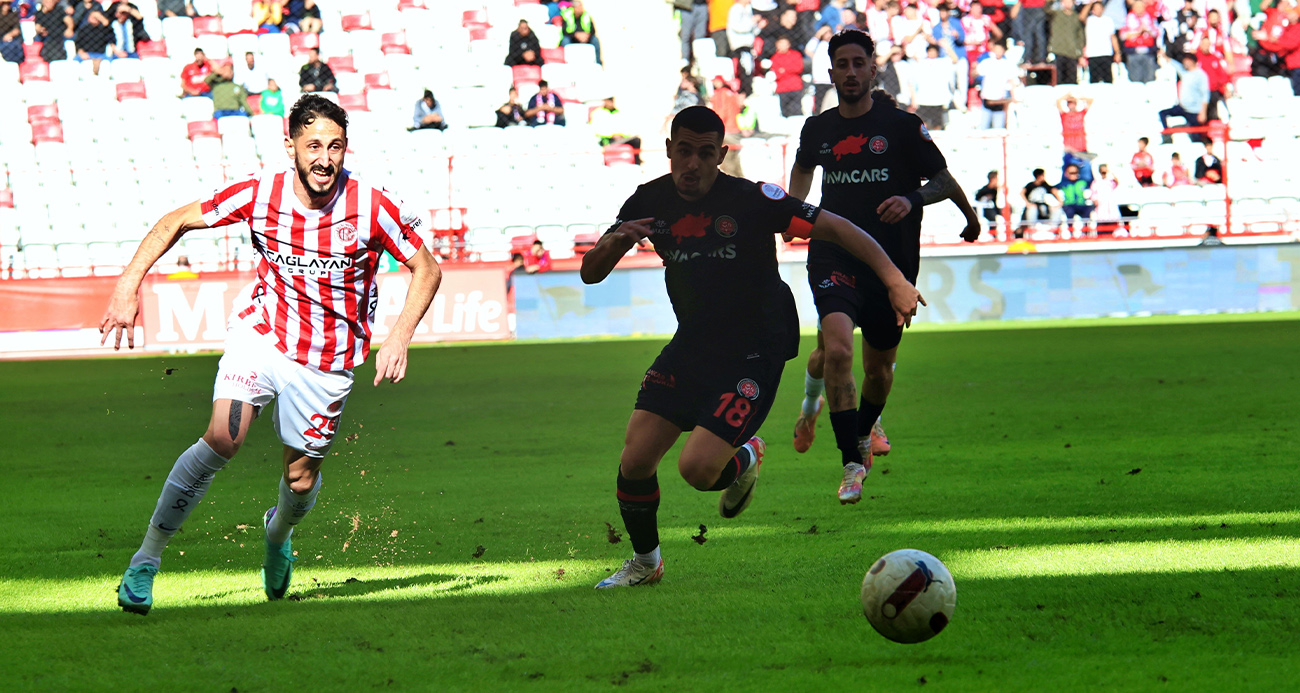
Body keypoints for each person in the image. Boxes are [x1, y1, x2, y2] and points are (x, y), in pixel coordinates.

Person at [102, 94, 442, 615]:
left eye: (334, 146)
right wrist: (128, 284)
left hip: (328, 360)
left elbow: (428, 268)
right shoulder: (262, 193)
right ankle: (146, 560)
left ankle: (278, 534)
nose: (324, 158)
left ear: (346, 148)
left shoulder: (373, 205)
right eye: (312, 146)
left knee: (299, 479)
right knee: (223, 437)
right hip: (261, 335)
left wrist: (399, 335)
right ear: (290, 146)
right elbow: (177, 220)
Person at [581, 105, 923, 588]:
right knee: (635, 458)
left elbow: (838, 228)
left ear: (721, 154)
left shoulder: (753, 199)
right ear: (669, 151)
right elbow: (591, 273)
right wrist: (614, 245)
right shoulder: (647, 200)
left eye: (705, 153)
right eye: (684, 151)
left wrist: (893, 279)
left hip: (756, 345)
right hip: (694, 341)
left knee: (697, 470)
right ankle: (645, 562)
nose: (693, 163)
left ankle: (744, 456)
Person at [787, 30, 980, 504]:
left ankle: (862, 429)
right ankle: (851, 462)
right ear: (830, 72)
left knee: (879, 370)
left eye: (859, 63)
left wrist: (917, 199)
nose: (850, 72)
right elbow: (803, 172)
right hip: (833, 254)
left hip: (891, 264)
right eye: (842, 64)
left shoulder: (901, 126)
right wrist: (790, 213)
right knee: (835, 351)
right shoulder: (817, 129)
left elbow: (942, 179)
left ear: (874, 69)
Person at [1158, 53, 1209, 143]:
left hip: (1194, 111)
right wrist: (1165, 56)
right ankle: (1167, 137)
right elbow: (1176, 65)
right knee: (1162, 113)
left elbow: (1205, 94)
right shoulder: (1185, 73)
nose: (1184, 62)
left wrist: (1203, 112)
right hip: (1183, 108)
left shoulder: (1200, 75)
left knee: (1196, 136)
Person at [976, 41, 1017, 129]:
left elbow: (1012, 81)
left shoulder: (1007, 64)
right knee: (983, 126)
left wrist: (1013, 97)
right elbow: (975, 73)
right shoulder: (987, 62)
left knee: (998, 127)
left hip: (1000, 100)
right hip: (987, 99)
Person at [591, 96, 642, 162]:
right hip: (607, 140)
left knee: (636, 140)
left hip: (620, 138)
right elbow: (597, 129)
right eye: (609, 100)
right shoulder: (598, 113)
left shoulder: (618, 112)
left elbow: (626, 127)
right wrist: (612, 135)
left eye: (612, 100)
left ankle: (637, 161)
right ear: (605, 101)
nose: (611, 102)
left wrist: (621, 135)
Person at [1046, 0, 1085, 84]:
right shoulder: (1056, 14)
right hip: (1058, 50)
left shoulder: (1076, 17)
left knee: (1072, 79)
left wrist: (1080, 53)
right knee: (1058, 78)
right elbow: (1046, 9)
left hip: (1072, 52)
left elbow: (1080, 36)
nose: (1067, 3)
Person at [1121, 0, 1158, 83]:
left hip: (1148, 52)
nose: (1139, 9)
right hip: (1134, 52)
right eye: (1137, 7)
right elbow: (1123, 35)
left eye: (1141, 7)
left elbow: (1156, 33)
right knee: (1135, 79)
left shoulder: (1149, 18)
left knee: (1149, 78)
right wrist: (1137, 32)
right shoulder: (1127, 18)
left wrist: (1147, 30)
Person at [1082, 1, 1119, 83]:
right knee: (1094, 80)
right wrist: (1091, 3)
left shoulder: (1108, 20)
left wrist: (1117, 52)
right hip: (1093, 54)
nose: (1098, 10)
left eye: (1099, 8)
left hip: (1106, 53)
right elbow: (1081, 17)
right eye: (1095, 9)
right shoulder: (1089, 20)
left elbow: (1113, 37)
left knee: (1108, 80)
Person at [770, 36, 806, 117]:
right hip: (782, 88)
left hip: (796, 87)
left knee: (797, 111)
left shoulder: (796, 54)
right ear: (777, 45)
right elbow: (777, 73)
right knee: (785, 112)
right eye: (781, 43)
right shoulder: (774, 58)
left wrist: (784, 69)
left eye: (786, 44)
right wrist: (790, 69)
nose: (784, 46)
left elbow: (799, 68)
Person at [1020, 168, 1062, 233]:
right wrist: (1027, 203)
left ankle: (1053, 228)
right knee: (1032, 209)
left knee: (1056, 210)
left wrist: (1060, 202)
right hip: (1033, 207)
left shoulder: (1045, 185)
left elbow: (1054, 191)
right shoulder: (1030, 185)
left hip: (1043, 207)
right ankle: (1032, 228)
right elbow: (1022, 192)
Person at [75, 8, 114, 75]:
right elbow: (78, 44)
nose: (95, 18)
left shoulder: (104, 29)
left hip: (101, 55)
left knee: (110, 62)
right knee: (75, 61)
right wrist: (82, 53)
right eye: (93, 17)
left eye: (96, 17)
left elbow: (111, 36)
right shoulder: (83, 29)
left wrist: (101, 18)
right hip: (86, 54)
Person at [559, 0, 600, 64]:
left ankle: (598, 62)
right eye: (578, 7)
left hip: (585, 38)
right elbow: (564, 31)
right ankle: (566, 62)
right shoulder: (567, 15)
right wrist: (575, 35)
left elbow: (593, 30)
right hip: (572, 38)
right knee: (565, 40)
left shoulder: (586, 15)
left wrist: (587, 35)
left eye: (581, 7)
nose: (580, 9)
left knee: (595, 40)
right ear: (574, 8)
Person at [1058, 163, 1092, 232]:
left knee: (1088, 212)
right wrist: (1059, 199)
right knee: (1068, 213)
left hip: (1081, 204)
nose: (1073, 175)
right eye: (1071, 173)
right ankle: (1070, 232)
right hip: (1069, 205)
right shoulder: (1063, 184)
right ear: (1066, 173)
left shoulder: (1083, 182)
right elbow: (1052, 189)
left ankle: (1085, 232)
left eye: (1075, 172)